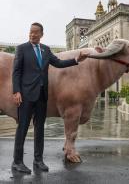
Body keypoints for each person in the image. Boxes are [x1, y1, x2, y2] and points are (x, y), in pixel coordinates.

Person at [12, 22, 88, 174]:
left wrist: (76, 60)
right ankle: (17, 162)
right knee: (22, 129)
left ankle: (38, 160)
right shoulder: (22, 49)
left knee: (40, 129)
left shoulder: (46, 50)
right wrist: (16, 91)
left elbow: (58, 63)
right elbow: (16, 72)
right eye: (30, 32)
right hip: (26, 95)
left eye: (35, 32)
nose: (32, 34)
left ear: (41, 34)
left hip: (42, 95)